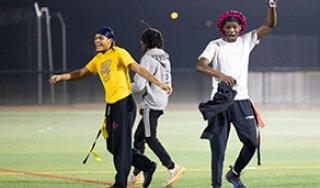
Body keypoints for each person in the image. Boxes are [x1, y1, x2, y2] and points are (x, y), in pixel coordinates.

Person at [49, 26, 172, 188]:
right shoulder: (98, 59)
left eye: (101, 38)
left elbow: (139, 69)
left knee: (121, 146)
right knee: (112, 145)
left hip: (124, 104)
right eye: (96, 38)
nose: (97, 41)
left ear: (110, 40)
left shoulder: (119, 53)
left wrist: (159, 83)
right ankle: (146, 165)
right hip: (111, 106)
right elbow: (80, 73)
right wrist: (61, 77)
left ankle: (120, 183)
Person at [196, 0, 277, 187]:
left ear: (241, 28)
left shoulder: (246, 41)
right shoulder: (214, 45)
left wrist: (272, 6)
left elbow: (269, 24)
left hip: (241, 102)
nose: (232, 30)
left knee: (252, 143)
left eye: (235, 27)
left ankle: (234, 174)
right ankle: (216, 186)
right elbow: (200, 65)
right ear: (222, 29)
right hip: (220, 103)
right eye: (228, 27)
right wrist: (220, 75)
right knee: (218, 150)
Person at [128, 22, 186, 188]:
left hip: (152, 101)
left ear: (145, 42)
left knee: (149, 136)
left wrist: (122, 87)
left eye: (142, 42)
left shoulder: (147, 58)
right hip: (161, 98)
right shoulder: (164, 55)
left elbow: (139, 85)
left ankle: (172, 167)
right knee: (139, 137)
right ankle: (136, 174)